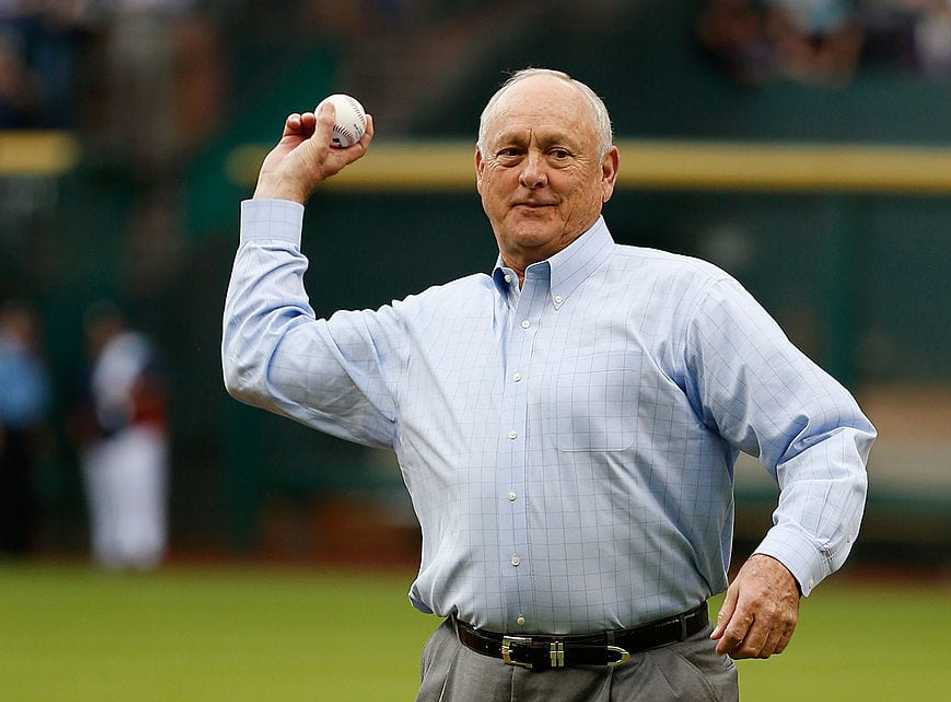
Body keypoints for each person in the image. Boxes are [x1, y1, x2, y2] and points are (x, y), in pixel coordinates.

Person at [222, 68, 875, 701]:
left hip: (649, 677)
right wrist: (282, 187)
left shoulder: (686, 302)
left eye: (559, 152)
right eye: (511, 152)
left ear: (607, 173)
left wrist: (783, 562)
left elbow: (826, 436)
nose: (532, 172)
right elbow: (260, 356)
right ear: (480, 173)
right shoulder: (424, 328)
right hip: (470, 675)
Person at [76, 304, 169, 570]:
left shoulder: (134, 349)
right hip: (109, 438)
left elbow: (155, 389)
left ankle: (144, 553)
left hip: (139, 434)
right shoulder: (99, 359)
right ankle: (115, 551)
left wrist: (126, 408)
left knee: (140, 495)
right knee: (112, 498)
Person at [0, 302, 50, 557]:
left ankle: (21, 545)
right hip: (6, 430)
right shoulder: (5, 355)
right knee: (7, 490)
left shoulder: (30, 356)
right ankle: (8, 544)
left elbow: (37, 400)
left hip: (25, 432)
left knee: (23, 491)